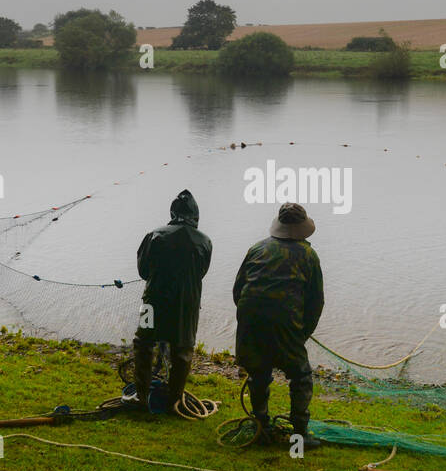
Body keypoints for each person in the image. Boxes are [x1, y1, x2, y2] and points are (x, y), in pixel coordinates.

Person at [233, 203, 325, 451]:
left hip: (250, 321)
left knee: (259, 373)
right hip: (285, 324)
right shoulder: (308, 255)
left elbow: (237, 291)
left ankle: (260, 425)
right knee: (301, 375)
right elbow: (316, 303)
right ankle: (299, 434)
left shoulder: (257, 248)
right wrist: (300, 334)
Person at [132, 189, 213, 410]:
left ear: (172, 211)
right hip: (186, 305)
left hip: (152, 302)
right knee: (183, 349)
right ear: (196, 215)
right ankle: (174, 400)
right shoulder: (205, 241)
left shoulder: (154, 235)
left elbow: (143, 270)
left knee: (143, 343)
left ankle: (140, 396)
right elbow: (202, 271)